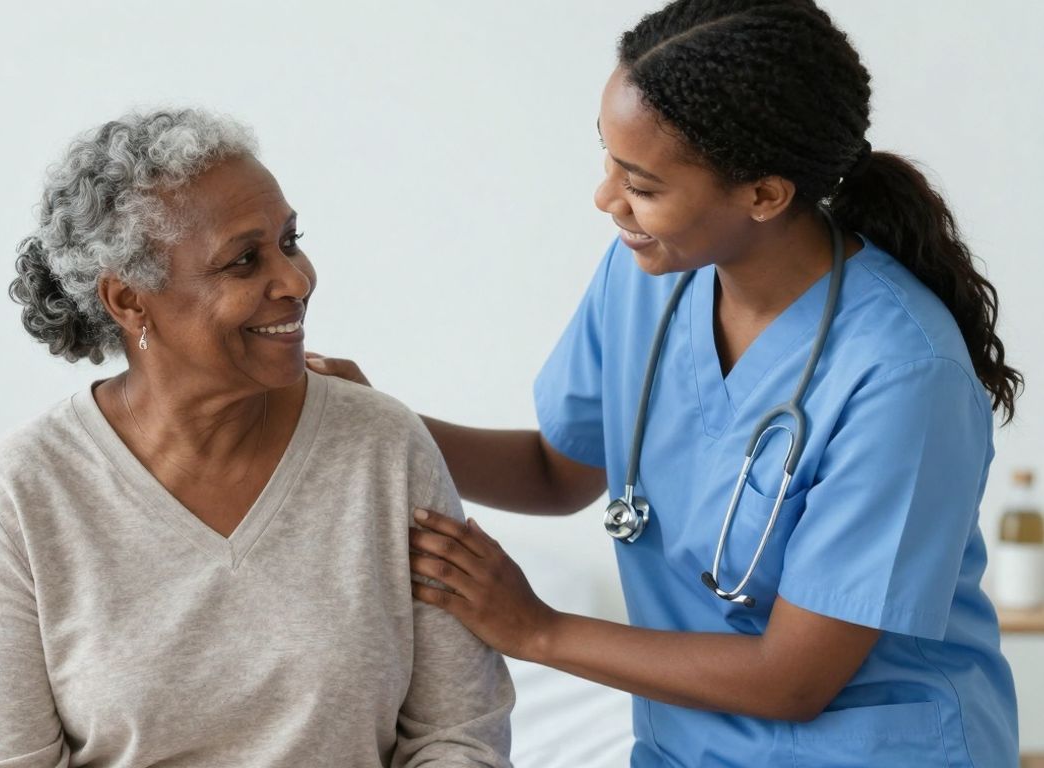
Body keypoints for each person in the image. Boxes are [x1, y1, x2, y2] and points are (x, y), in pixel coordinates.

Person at [309, 1, 1022, 765]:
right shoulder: (648, 273)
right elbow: (562, 472)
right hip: (683, 746)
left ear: (764, 195)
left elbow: (793, 681)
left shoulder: (903, 374)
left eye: (641, 184)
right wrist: (377, 421)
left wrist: (535, 628)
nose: (606, 199)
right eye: (608, 161)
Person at [0, 109, 513, 767]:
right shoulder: (22, 490)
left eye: (290, 242)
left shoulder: (384, 445)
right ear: (128, 301)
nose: (296, 282)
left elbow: (459, 734)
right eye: (244, 261)